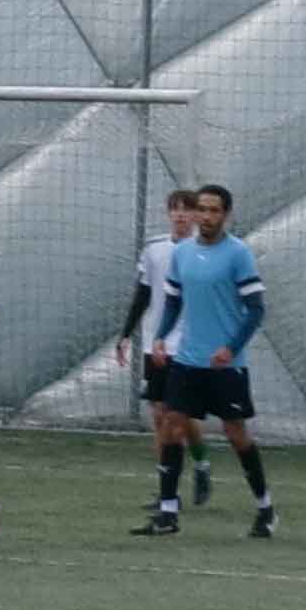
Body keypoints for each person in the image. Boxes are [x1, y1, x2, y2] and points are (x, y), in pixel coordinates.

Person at [144, 182, 273, 538]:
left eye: (214, 210)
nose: (205, 216)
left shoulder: (238, 254)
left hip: (225, 366)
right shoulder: (183, 253)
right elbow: (173, 300)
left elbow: (256, 309)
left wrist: (231, 348)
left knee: (236, 434)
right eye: (201, 209)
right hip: (187, 360)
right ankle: (168, 512)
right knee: (172, 425)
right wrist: (160, 337)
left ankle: (265, 508)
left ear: (226, 215)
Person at [120, 184, 210, 509]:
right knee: (160, 417)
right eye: (176, 208)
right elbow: (143, 293)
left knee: (180, 417)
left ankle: (200, 464)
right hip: (157, 343)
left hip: (189, 346)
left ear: (196, 216)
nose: (181, 215)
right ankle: (167, 493)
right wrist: (125, 334)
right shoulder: (154, 249)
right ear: (169, 213)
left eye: (187, 209)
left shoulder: (205, 252)